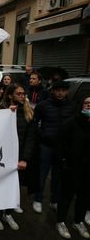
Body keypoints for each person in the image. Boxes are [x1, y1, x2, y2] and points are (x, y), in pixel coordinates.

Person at [0, 84, 36, 231]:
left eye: (23, 93)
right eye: (19, 94)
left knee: (14, 186)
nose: (22, 96)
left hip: (20, 157)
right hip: (3, 156)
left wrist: (25, 159)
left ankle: (8, 213)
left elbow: (31, 137)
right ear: (10, 95)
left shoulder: (28, 112)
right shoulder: (0, 109)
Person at [33, 80, 77, 214]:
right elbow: (35, 123)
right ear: (53, 91)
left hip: (63, 147)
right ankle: (38, 199)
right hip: (46, 145)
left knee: (58, 176)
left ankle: (54, 200)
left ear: (67, 91)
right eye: (58, 90)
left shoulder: (72, 106)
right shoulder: (43, 105)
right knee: (42, 174)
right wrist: (43, 135)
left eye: (63, 90)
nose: (60, 93)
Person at [55, 96, 90, 239]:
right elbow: (59, 143)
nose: (89, 105)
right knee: (66, 196)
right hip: (71, 166)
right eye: (87, 103)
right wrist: (63, 162)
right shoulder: (71, 122)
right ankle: (60, 222)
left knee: (84, 196)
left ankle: (78, 221)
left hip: (88, 168)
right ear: (81, 105)